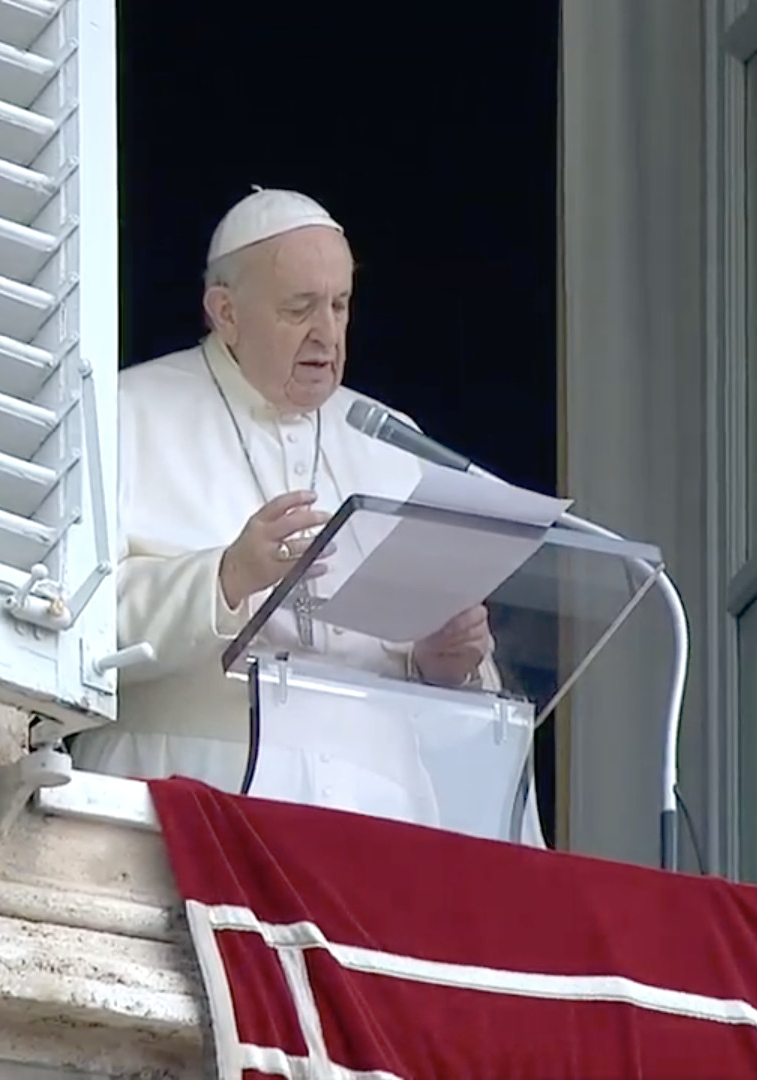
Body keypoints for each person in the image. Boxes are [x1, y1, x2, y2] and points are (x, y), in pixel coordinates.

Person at [73, 188, 544, 845]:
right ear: (225, 313)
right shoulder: (125, 414)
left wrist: (441, 665)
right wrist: (226, 577)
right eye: (299, 309)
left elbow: (455, 711)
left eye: (340, 305)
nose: (326, 333)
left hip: (378, 812)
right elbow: (76, 625)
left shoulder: (391, 440)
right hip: (190, 789)